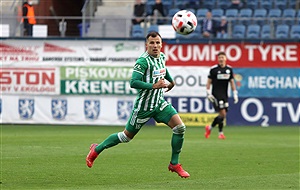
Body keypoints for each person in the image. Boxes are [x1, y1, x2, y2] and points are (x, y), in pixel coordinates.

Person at [86, 31, 190, 178]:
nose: (155, 46)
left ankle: (174, 164)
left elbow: (163, 70)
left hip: (159, 103)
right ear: (146, 45)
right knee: (126, 137)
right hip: (143, 107)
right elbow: (133, 82)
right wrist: (153, 86)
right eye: (152, 43)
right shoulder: (142, 61)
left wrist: (171, 81)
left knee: (180, 128)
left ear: (161, 44)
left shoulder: (162, 57)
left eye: (158, 43)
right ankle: (97, 149)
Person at [205, 51, 238, 139]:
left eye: (222, 57)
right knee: (222, 114)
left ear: (225, 59)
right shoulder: (214, 69)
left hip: (224, 95)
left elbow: (232, 82)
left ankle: (210, 128)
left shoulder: (229, 69)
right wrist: (208, 93)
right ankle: (221, 133)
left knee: (222, 115)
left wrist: (235, 93)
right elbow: (209, 82)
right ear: (217, 59)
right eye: (219, 57)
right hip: (216, 95)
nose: (221, 59)